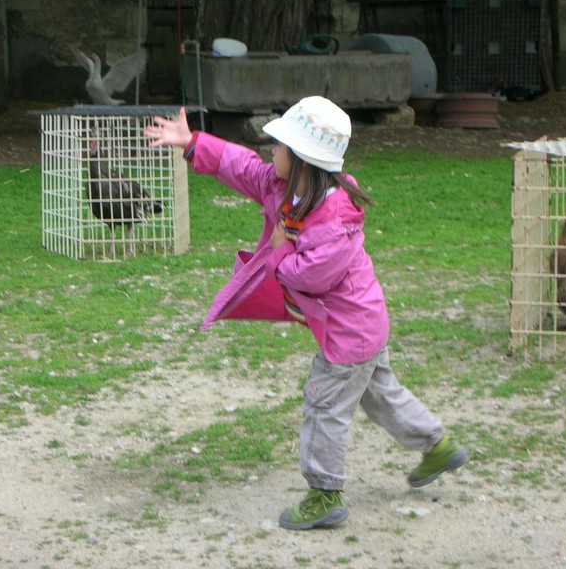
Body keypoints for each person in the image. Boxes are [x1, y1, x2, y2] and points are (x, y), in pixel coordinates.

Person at [145, 96, 469, 531]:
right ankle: (438, 445)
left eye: (277, 146)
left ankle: (325, 493)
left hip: (349, 333)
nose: (268, 151)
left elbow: (309, 276)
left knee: (323, 405)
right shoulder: (282, 186)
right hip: (361, 326)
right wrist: (192, 143)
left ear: (300, 160)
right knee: (379, 394)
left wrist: (279, 250)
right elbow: (240, 165)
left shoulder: (334, 219)